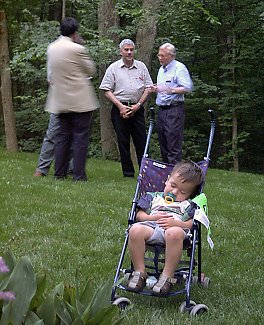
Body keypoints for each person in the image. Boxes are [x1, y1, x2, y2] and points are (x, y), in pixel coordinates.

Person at [127, 160, 204, 294]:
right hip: (151, 226)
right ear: (167, 180)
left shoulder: (188, 204)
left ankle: (167, 276)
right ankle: (139, 272)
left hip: (175, 230)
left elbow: (193, 223)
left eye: (182, 192)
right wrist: (151, 218)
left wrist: (177, 224)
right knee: (135, 230)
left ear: (189, 194)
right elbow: (139, 215)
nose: (174, 192)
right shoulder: (152, 197)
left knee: (173, 233)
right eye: (173, 185)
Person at [45, 17, 99, 181]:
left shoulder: (51, 48)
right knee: (80, 139)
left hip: (60, 100)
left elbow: (51, 74)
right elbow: (91, 70)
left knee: (62, 138)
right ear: (75, 32)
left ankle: (59, 173)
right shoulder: (77, 49)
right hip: (80, 101)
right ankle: (78, 175)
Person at [99, 39, 153, 177]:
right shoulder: (113, 68)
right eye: (126, 50)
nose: (129, 52)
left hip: (137, 108)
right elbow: (106, 90)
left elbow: (149, 87)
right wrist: (120, 106)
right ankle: (128, 173)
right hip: (119, 109)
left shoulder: (141, 67)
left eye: (131, 50)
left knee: (141, 141)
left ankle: (144, 172)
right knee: (123, 141)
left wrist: (139, 105)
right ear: (120, 51)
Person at [150, 43, 193, 164]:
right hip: (162, 110)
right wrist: (156, 88)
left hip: (174, 110)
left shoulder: (179, 68)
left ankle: (175, 175)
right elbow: (161, 88)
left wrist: (169, 89)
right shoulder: (161, 70)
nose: (160, 58)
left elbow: (187, 87)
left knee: (173, 144)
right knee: (163, 143)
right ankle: (166, 174)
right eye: (159, 55)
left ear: (171, 56)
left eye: (163, 56)